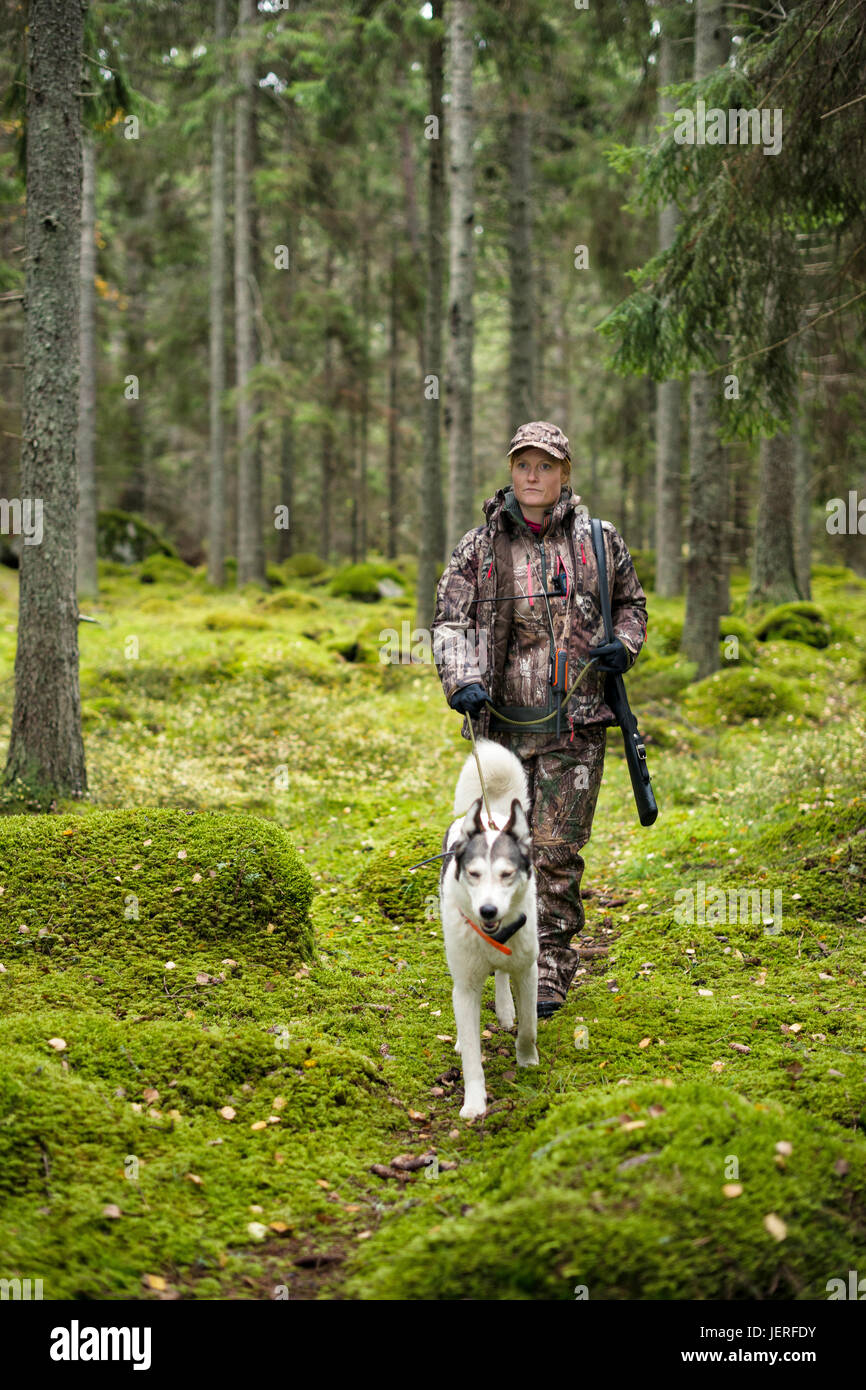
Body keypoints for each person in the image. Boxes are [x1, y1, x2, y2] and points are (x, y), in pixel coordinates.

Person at [431, 420, 648, 1017]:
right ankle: (497, 955)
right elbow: (450, 624)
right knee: (501, 851)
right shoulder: (477, 548)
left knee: (556, 852)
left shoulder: (600, 542)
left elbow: (632, 604)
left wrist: (621, 646)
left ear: (564, 474)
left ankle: (548, 969)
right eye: (523, 464)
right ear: (511, 471)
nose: (533, 475)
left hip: (576, 726)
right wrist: (463, 680)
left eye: (545, 466)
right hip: (500, 729)